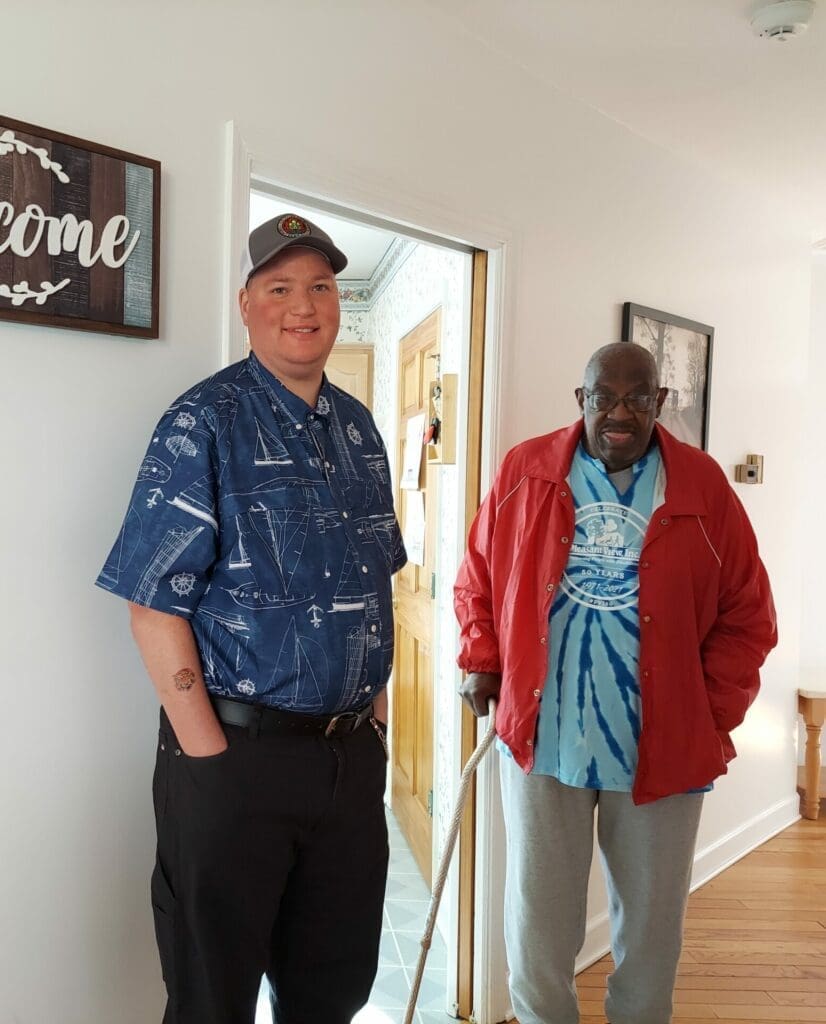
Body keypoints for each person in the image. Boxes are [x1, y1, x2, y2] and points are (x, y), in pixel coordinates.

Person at [97, 213, 406, 1024]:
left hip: (347, 767)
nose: (301, 305)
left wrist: (372, 717)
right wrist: (209, 753)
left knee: (332, 990)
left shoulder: (360, 431)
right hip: (235, 758)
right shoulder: (202, 421)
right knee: (212, 999)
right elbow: (151, 603)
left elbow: (377, 582)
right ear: (246, 303)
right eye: (279, 287)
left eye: (319, 286)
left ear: (337, 302)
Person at [454, 343, 776, 1024]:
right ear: (582, 401)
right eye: (605, 396)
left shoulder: (702, 487)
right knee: (539, 933)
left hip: (662, 750)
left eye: (638, 396)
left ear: (662, 403)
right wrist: (480, 654)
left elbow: (749, 613)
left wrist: (709, 711)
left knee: (651, 935)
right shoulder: (526, 471)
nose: (620, 412)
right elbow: (478, 575)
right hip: (547, 744)